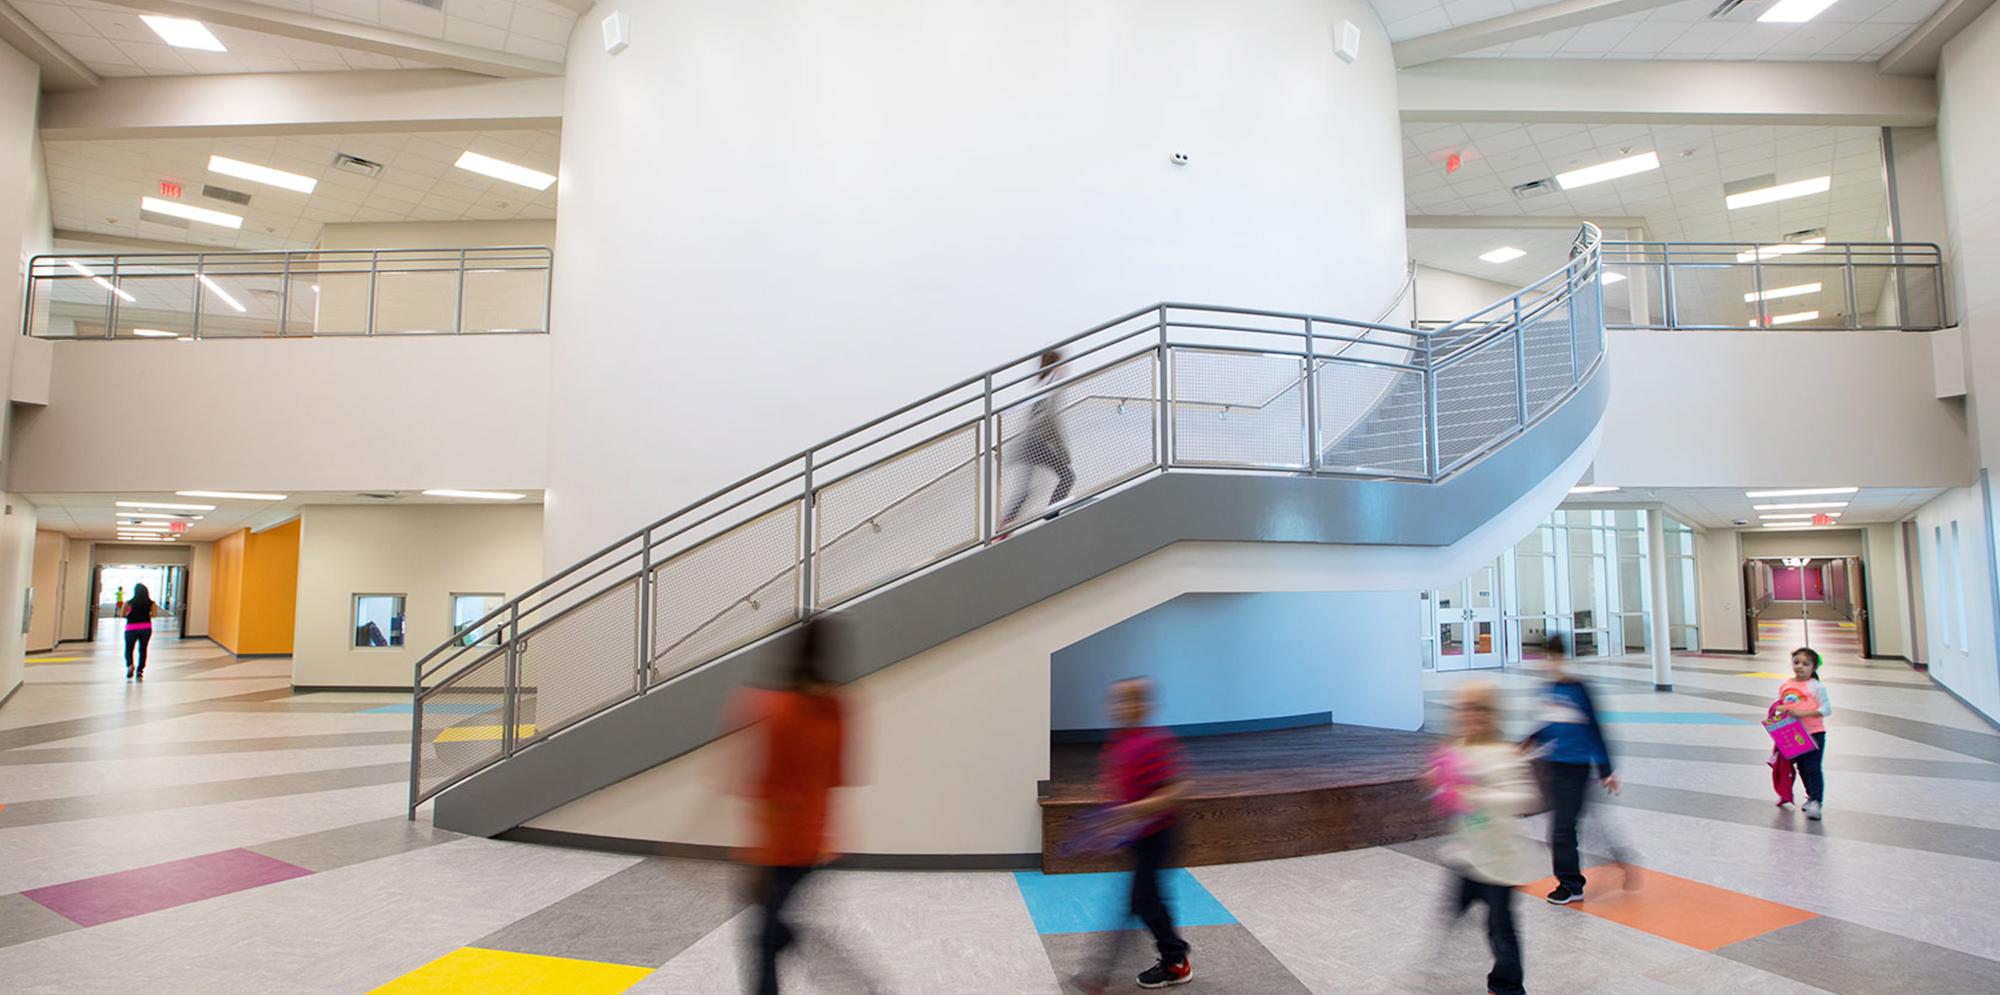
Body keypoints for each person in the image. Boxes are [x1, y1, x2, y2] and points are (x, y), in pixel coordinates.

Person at [732, 616, 850, 995]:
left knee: (764, 942)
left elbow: (767, 789)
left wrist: (759, 863)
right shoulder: (836, 708)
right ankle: (795, 939)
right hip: (816, 841)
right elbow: (835, 777)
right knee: (769, 932)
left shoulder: (777, 709)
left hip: (780, 847)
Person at [1075, 677, 1193, 992]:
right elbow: (1120, 793)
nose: (1122, 706)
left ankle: (1173, 962)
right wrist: (1112, 827)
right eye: (1117, 700)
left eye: (1131, 699)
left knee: (1142, 899)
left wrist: (1129, 813)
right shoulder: (1118, 744)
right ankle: (1167, 958)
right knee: (1143, 900)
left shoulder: (1154, 742)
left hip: (1160, 834)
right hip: (1139, 836)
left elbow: (1176, 789)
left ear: (1145, 705)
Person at [1431, 680, 1539, 995]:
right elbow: (1450, 797)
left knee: (1501, 929)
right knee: (1454, 910)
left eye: (1478, 708)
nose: (1470, 715)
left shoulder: (1504, 754)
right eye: (1464, 708)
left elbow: (1525, 798)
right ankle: (1438, 964)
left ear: (1493, 713)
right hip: (1468, 856)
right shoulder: (1458, 749)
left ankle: (1508, 986)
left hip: (1501, 862)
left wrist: (1479, 795)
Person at [1521, 632, 1622, 904]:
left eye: (1554, 659)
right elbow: (1552, 726)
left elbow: (1595, 730)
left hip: (1576, 769)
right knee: (1569, 825)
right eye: (1546, 659)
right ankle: (1618, 857)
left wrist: (1606, 770)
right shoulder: (1549, 689)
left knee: (1563, 828)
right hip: (1555, 766)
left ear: (1563, 658)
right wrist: (1528, 741)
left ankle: (1571, 885)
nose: (1549, 665)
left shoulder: (1579, 689)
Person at [1000, 351, 1077, 528]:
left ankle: (1003, 527)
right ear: (1057, 365)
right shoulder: (1054, 384)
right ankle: (1052, 513)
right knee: (1067, 476)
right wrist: (1063, 451)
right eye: (1063, 363)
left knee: (1026, 489)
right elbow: (1051, 419)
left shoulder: (1043, 384)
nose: (1067, 366)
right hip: (1036, 442)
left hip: (1028, 443)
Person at [1772, 647, 1831, 820]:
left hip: (1814, 732)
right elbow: (1782, 704)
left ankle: (1817, 802)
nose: (1800, 667)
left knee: (1813, 768)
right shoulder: (1786, 685)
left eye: (1806, 664)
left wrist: (1802, 713)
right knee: (1802, 768)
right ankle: (1810, 797)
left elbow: (1826, 709)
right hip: (1792, 734)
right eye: (1796, 662)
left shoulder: (1816, 687)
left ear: (1813, 667)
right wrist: (1781, 709)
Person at [122, 582, 154, 680]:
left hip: (131, 627)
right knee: (143, 649)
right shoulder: (151, 603)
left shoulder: (128, 602)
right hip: (146, 627)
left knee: (129, 648)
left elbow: (122, 614)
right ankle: (140, 670)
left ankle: (130, 665)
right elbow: (154, 614)